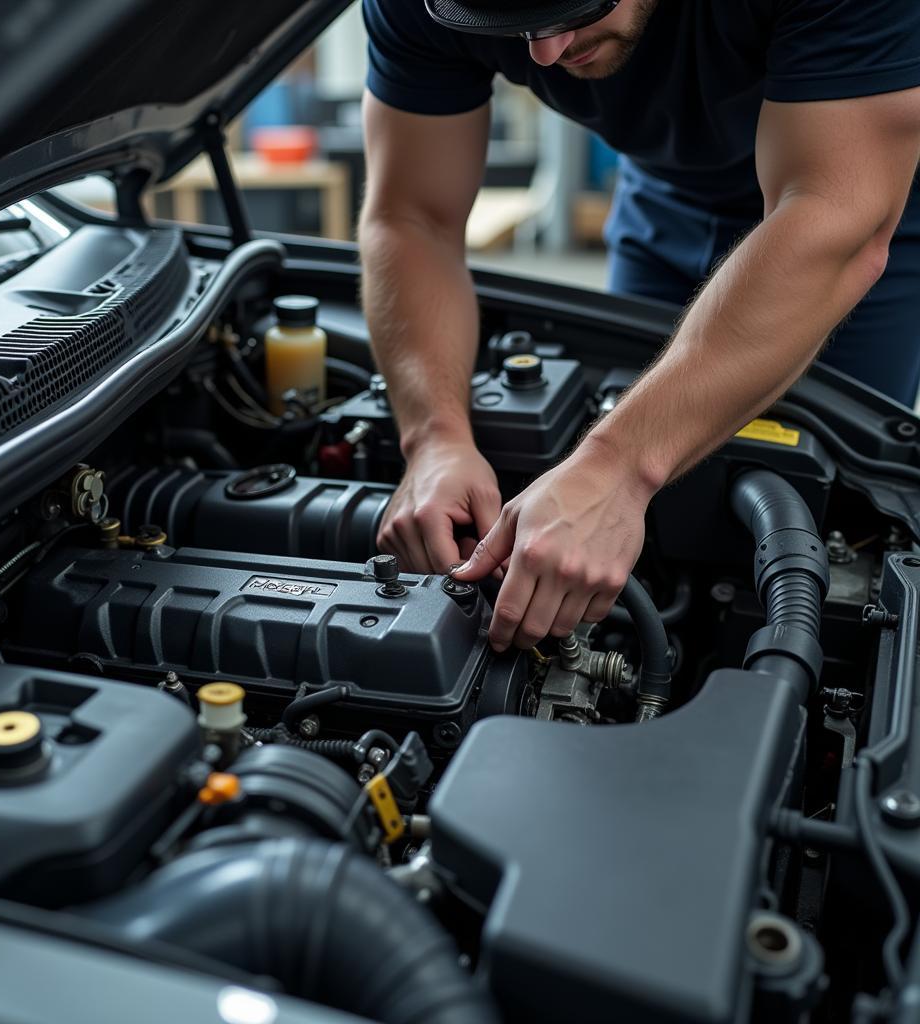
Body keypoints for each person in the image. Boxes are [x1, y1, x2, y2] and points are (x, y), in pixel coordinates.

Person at [358, 0, 920, 652]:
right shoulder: (423, 4)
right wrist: (434, 438)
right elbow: (411, 217)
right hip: (667, 193)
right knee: (632, 498)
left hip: (859, 188)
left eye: (573, 5)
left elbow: (834, 216)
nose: (543, 50)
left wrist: (615, 466)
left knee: (836, 526)